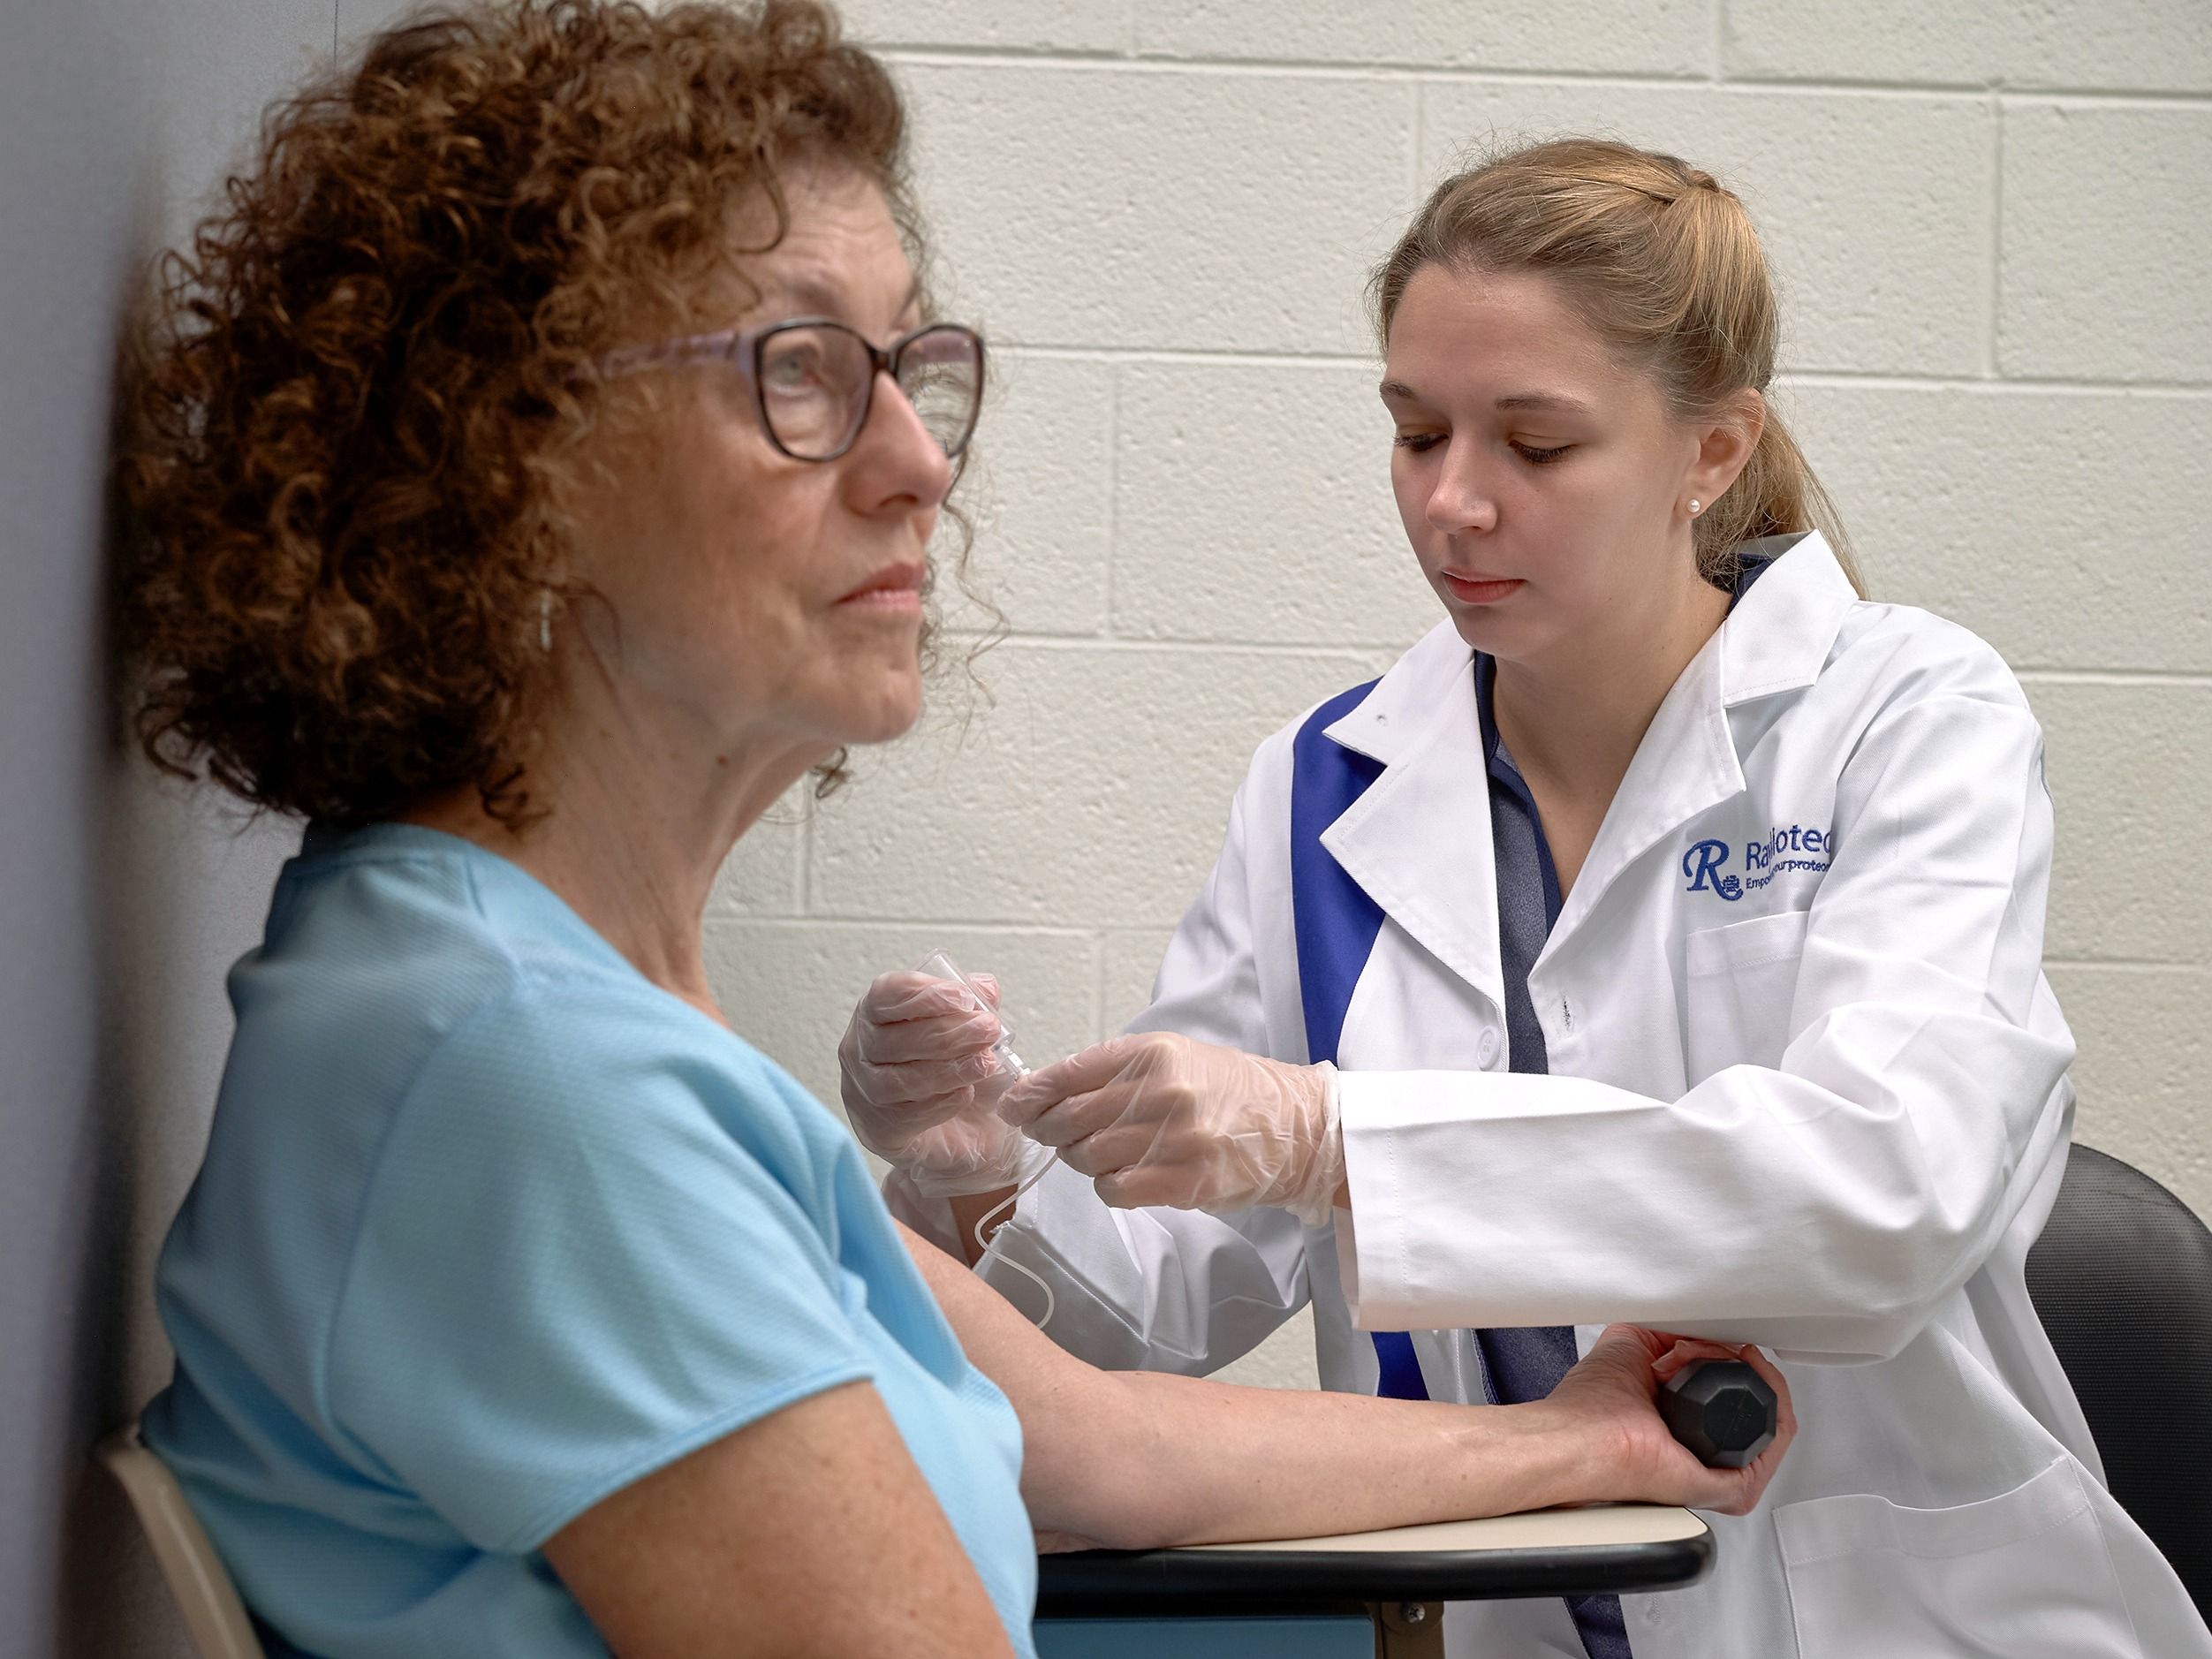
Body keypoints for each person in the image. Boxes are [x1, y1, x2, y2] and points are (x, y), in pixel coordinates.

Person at [120, 15, 1792, 1658]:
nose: (920, 462)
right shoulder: (536, 1078)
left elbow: (1098, 1437)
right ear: (507, 465)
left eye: (909, 370)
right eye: (798, 374)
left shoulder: (542, 1003)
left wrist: (1587, 1441)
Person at [847, 139, 2212, 1656]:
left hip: (1907, 1622)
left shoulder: (1905, 717)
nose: (1454, 504)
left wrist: (1335, 1135)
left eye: (1535, 445)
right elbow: (1132, 1325)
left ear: (1712, 449)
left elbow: (1888, 1193)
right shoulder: (1328, 792)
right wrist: (976, 1173)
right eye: (1416, 432)